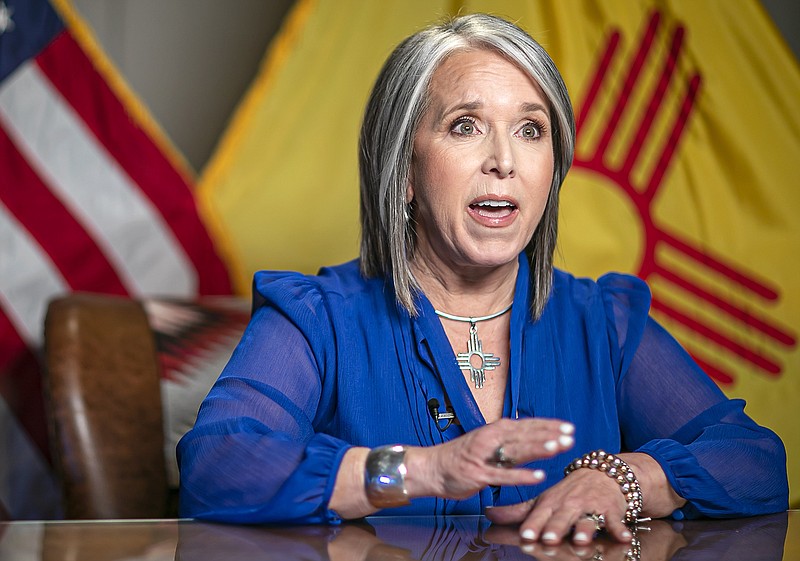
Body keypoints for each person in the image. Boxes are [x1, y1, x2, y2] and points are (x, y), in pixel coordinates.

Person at [177, 13, 788, 545]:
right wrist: (418, 472)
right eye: (465, 125)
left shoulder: (602, 320)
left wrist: (624, 479)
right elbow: (217, 463)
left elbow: (755, 461)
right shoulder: (318, 318)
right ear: (405, 169)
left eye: (532, 130)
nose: (505, 160)